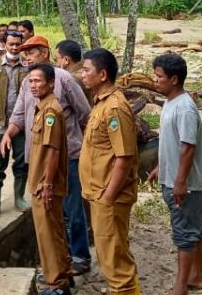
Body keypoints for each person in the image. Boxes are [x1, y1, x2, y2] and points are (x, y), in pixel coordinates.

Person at [1, 35, 92, 276]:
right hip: (38, 157)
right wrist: (8, 133)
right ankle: (60, 259)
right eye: (24, 53)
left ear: (45, 52)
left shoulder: (63, 80)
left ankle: (80, 257)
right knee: (50, 213)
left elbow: (85, 114)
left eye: (31, 52)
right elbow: (20, 114)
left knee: (72, 209)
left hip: (67, 155)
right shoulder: (28, 83)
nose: (26, 56)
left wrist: (85, 149)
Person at [80, 48, 141, 295]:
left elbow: (124, 157)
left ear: (102, 74)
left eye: (86, 70)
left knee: (116, 264)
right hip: (99, 193)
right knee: (111, 256)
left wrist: (107, 198)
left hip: (109, 196)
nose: (82, 74)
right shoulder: (101, 103)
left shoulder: (114, 108)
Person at [150, 53, 202, 295]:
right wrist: (160, 168)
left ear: (174, 79)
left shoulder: (184, 108)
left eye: (159, 76)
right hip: (174, 178)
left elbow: (188, 146)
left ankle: (180, 286)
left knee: (184, 232)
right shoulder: (171, 103)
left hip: (184, 184)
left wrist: (180, 181)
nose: (154, 79)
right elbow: (171, 144)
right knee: (192, 226)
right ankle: (197, 276)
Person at [26, 63, 73, 295]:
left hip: (45, 185)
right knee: (53, 230)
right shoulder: (43, 108)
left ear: (51, 83)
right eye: (31, 81)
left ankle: (56, 283)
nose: (34, 85)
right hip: (40, 182)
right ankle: (62, 273)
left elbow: (53, 150)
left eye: (38, 81)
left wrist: (46, 184)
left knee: (48, 233)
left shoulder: (51, 111)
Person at [0, 30, 29, 218]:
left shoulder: (28, 65)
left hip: (21, 125)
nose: (14, 47)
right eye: (11, 44)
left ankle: (19, 197)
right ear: (4, 45)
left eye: (18, 44)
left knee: (23, 162)